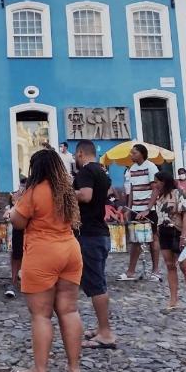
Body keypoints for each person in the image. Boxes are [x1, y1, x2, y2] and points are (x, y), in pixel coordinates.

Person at [9, 148, 83, 372]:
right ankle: (74, 368)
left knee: (41, 315)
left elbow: (19, 222)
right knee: (70, 310)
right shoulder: (66, 191)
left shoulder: (34, 191)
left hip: (43, 253)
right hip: (70, 250)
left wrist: (12, 208)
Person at [73, 141, 117, 349]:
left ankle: (106, 333)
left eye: (76, 155)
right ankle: (101, 327)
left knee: (96, 284)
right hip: (100, 232)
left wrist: (65, 193)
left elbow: (86, 195)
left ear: (80, 153)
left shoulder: (85, 172)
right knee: (98, 281)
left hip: (89, 234)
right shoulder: (101, 171)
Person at [153, 171, 186, 313]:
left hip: (178, 232)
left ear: (163, 181)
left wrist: (184, 236)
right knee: (169, 265)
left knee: (185, 266)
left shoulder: (178, 194)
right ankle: (173, 300)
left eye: (157, 181)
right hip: (164, 234)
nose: (155, 184)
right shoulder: (160, 198)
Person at [118, 144, 161, 281]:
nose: (131, 155)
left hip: (148, 210)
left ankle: (155, 271)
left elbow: (155, 190)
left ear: (141, 154)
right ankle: (130, 271)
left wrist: (147, 209)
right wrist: (128, 208)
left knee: (153, 238)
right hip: (135, 209)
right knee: (135, 240)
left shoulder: (151, 167)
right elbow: (132, 190)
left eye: (134, 153)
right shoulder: (132, 169)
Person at [4, 177, 27, 299]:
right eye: (21, 186)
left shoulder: (29, 196)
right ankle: (14, 280)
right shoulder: (18, 196)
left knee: (24, 255)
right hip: (18, 231)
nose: (21, 188)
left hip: (28, 231)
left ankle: (22, 279)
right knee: (16, 255)